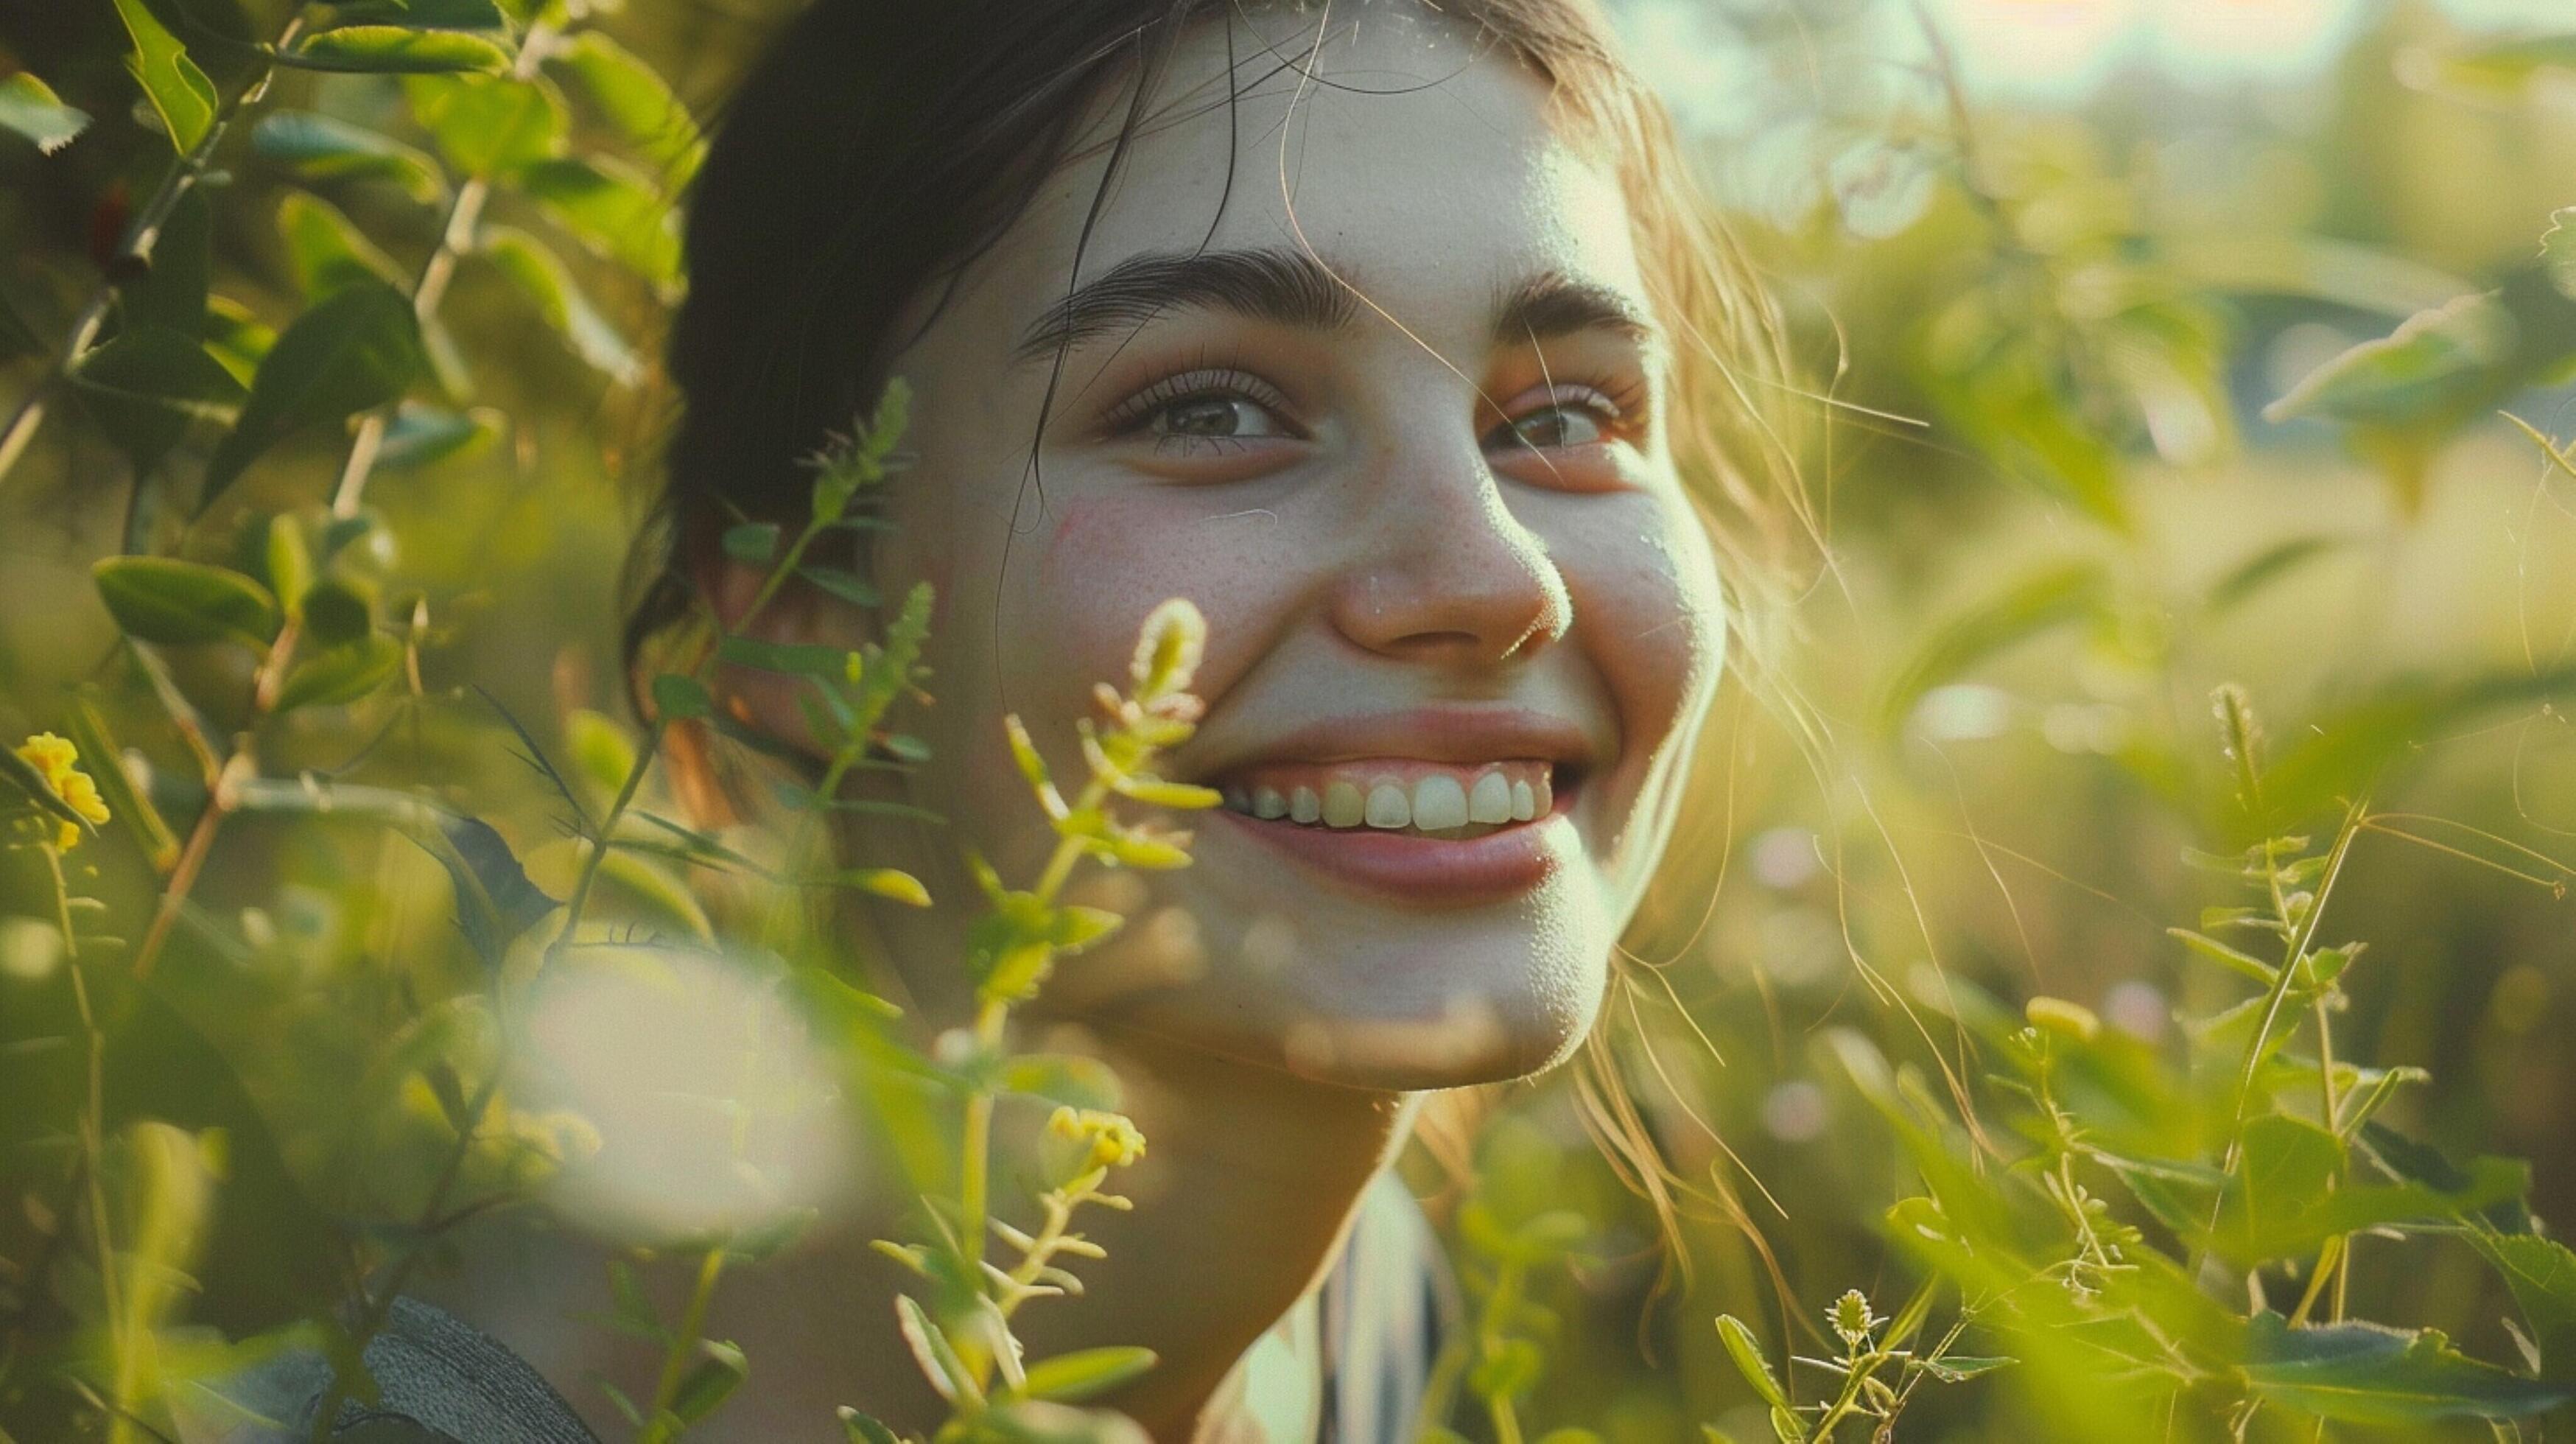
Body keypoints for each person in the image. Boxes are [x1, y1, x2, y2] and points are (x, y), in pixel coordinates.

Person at [246, 1, 1794, 1438]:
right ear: (795, 610)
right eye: (1211, 409)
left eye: (1564, 417)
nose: (1494, 575)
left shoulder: (1365, 1320)